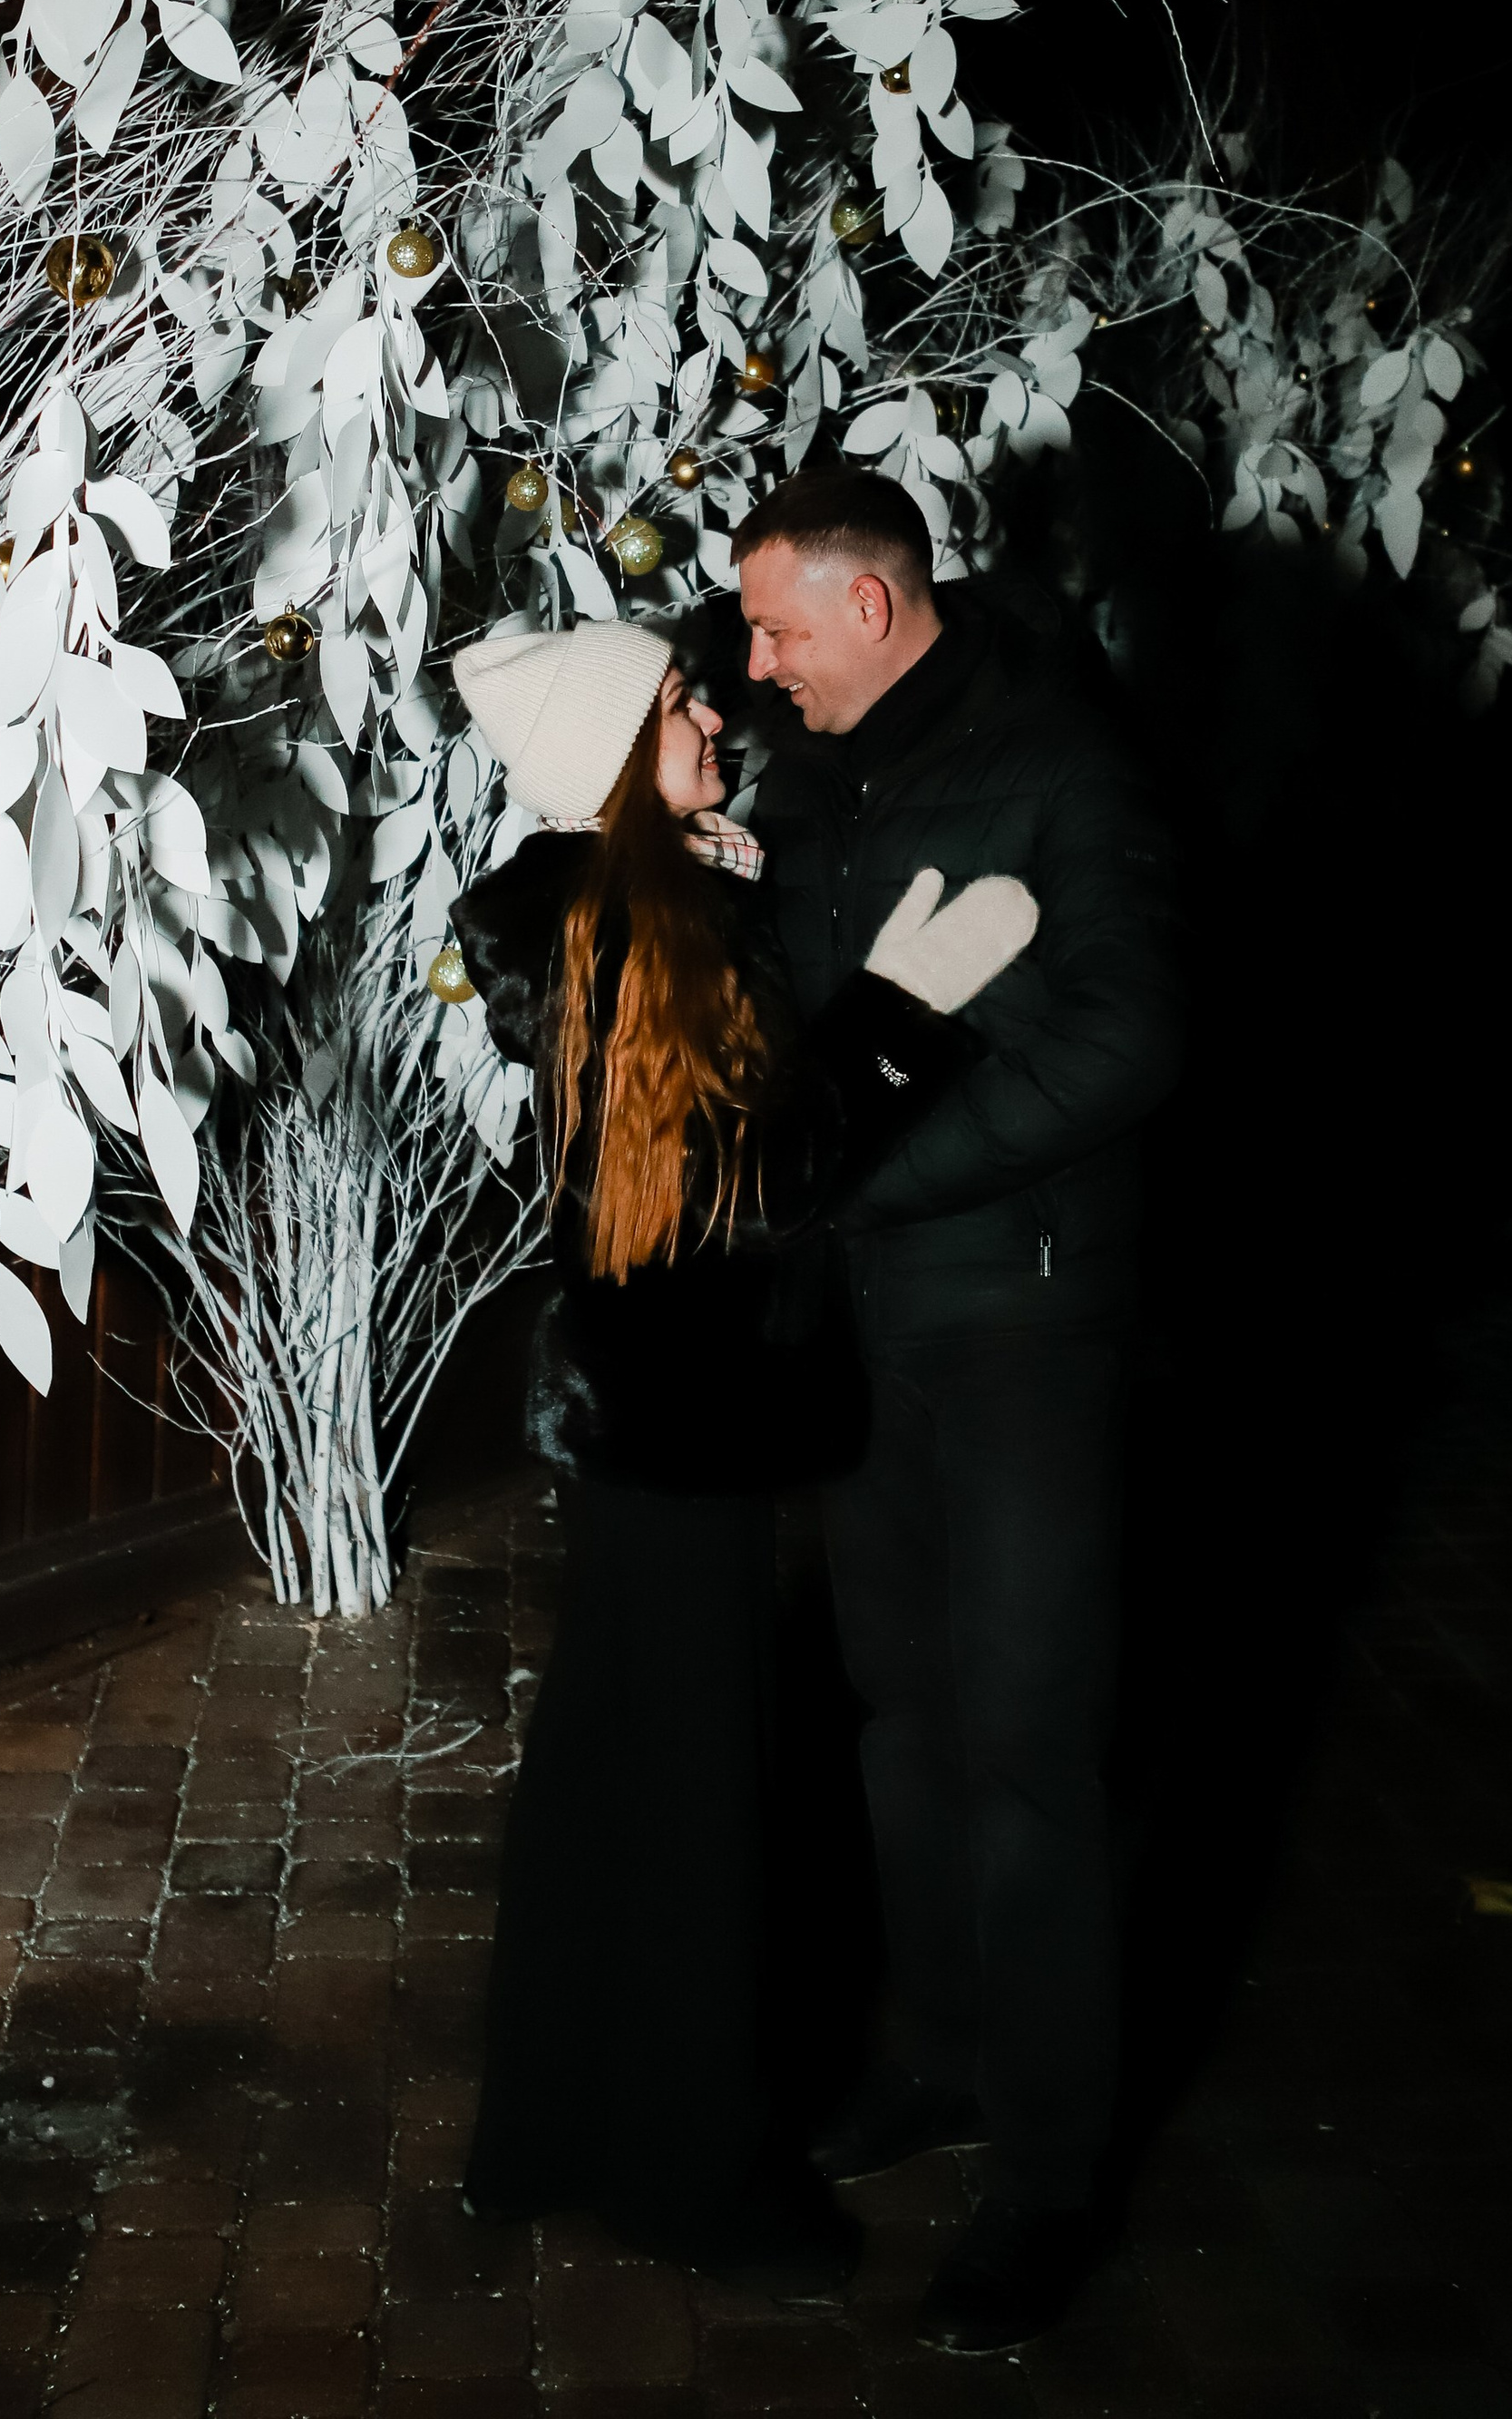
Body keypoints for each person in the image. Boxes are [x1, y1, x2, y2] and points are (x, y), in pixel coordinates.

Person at [446, 615, 1039, 2296]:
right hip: (689, 1405)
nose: (711, 708)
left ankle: (549, 2131)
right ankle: (694, 2178)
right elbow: (748, 1182)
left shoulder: (621, 906)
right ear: (609, 754)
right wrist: (899, 1022)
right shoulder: (635, 921)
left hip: (648, 1402)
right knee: (705, 1798)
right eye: (675, 700)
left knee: (609, 1769)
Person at [736, 466, 1181, 2356]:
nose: (750, 664)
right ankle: (936, 2058)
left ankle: (1046, 2178)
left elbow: (1127, 1035)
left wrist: (875, 1184)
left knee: (1022, 1753)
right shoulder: (814, 775)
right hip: (866, 1336)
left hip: (1020, 1321)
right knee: (898, 1721)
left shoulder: (1063, 765)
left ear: (866, 604)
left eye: (770, 626)